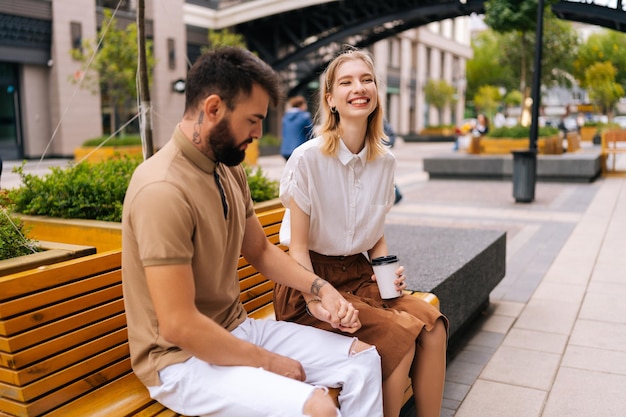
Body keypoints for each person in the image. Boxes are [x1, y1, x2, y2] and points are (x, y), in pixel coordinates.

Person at [121, 46, 384, 417]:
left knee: (363, 361)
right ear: (213, 109)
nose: (259, 133)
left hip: (237, 329)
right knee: (318, 409)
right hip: (181, 362)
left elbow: (260, 251)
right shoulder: (161, 190)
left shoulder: (227, 168)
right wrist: (270, 363)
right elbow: (179, 326)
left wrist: (320, 288)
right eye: (253, 120)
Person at [273, 47, 448, 417]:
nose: (359, 87)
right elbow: (298, 250)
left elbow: (376, 236)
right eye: (346, 81)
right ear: (330, 99)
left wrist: (388, 275)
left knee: (433, 327)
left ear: (376, 93)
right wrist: (316, 300)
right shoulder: (307, 159)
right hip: (309, 283)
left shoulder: (385, 161)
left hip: (359, 276)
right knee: (399, 338)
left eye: (367, 79)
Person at [281, 95, 314, 161]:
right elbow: (310, 134)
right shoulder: (304, 117)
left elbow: (284, 134)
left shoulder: (286, 117)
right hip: (299, 150)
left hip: (286, 150)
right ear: (301, 105)